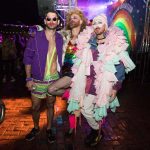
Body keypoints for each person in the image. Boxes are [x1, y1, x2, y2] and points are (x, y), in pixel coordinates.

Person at [66, 14, 135, 146]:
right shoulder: (89, 42)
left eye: (100, 23)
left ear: (105, 25)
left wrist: (116, 87)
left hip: (104, 83)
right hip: (89, 82)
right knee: (86, 109)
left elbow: (119, 67)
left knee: (91, 110)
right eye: (95, 23)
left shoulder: (114, 43)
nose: (97, 25)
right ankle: (97, 130)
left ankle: (96, 132)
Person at [23, 10, 64, 143]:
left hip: (53, 79)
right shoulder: (35, 37)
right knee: (35, 107)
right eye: (49, 19)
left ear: (58, 22)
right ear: (45, 21)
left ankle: (49, 128)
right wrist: (28, 78)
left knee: (50, 105)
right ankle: (35, 128)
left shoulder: (60, 38)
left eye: (54, 19)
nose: (51, 22)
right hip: (37, 79)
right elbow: (27, 58)